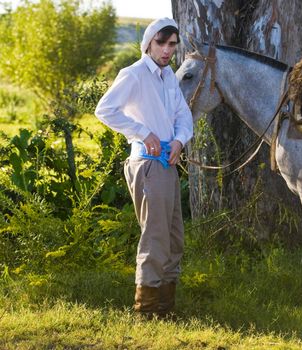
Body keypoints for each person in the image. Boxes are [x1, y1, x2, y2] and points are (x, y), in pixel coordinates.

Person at [95, 17, 193, 319]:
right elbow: (105, 110)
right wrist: (142, 132)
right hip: (148, 166)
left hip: (168, 164)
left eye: (172, 44)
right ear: (149, 43)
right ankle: (146, 311)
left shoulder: (167, 78)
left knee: (175, 237)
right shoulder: (134, 74)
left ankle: (165, 307)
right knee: (156, 236)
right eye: (161, 43)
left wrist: (178, 140)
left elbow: (183, 116)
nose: (166, 50)